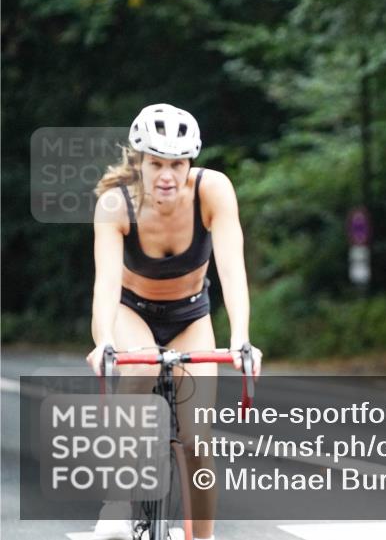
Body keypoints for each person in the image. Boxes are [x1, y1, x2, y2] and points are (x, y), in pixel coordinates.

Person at [85, 103, 262, 540]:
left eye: (178, 164)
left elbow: (232, 271)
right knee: (142, 364)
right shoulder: (115, 204)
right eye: (157, 163)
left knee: (198, 444)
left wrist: (241, 339)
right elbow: (105, 285)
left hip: (190, 316)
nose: (167, 175)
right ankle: (118, 503)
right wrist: (104, 340)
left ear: (191, 163)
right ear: (139, 162)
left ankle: (202, 536)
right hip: (132, 313)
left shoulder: (213, 191)